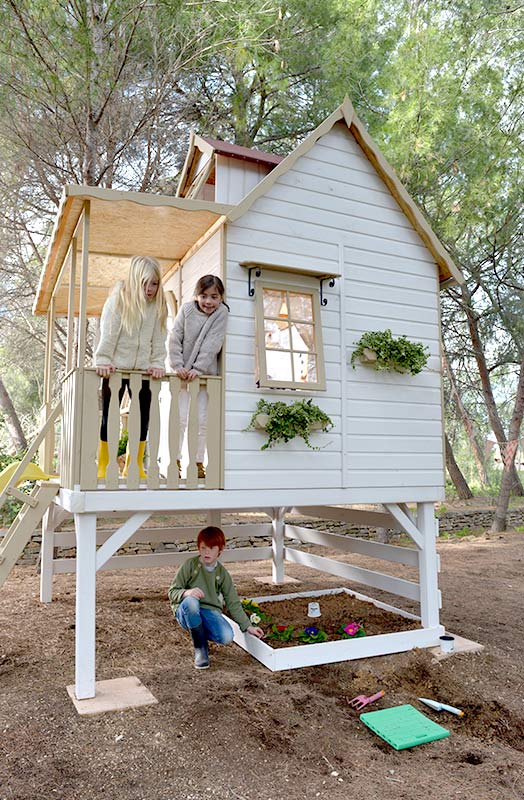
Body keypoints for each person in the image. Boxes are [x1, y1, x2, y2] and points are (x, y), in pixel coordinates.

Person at [95, 255, 168, 479]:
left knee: (142, 417)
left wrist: (157, 363)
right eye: (144, 283)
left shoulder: (158, 305)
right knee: (110, 414)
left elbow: (158, 339)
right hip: (116, 369)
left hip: (143, 372)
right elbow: (108, 333)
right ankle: (104, 464)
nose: (149, 289)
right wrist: (103, 359)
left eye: (154, 283)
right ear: (134, 281)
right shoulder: (119, 300)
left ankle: (134, 465)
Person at [168, 526, 264, 669]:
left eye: (212, 548)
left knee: (227, 637)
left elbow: (233, 602)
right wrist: (187, 592)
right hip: (186, 610)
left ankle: (199, 631)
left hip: (208, 611)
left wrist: (247, 626)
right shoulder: (190, 565)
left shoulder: (222, 574)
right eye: (203, 547)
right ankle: (200, 648)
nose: (207, 552)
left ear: (221, 549)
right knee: (192, 602)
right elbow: (172, 592)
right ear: (198, 548)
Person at [168, 275, 228, 479]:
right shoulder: (186, 310)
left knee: (202, 421)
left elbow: (213, 342)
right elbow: (175, 337)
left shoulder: (221, 313)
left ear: (221, 298)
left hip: (204, 377)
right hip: (183, 376)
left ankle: (197, 463)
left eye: (214, 296)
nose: (208, 302)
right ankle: (174, 461)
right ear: (197, 295)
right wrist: (178, 366)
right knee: (180, 419)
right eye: (204, 296)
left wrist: (198, 368)